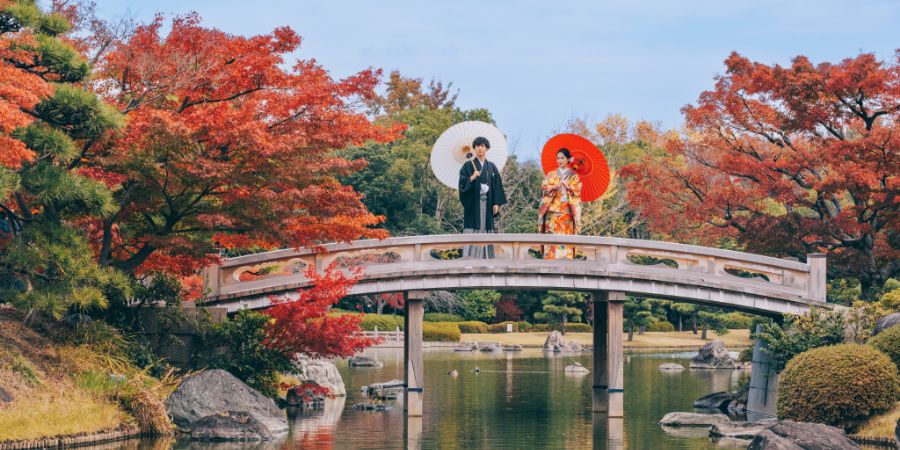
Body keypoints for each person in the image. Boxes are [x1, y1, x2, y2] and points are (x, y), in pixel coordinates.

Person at [458, 136, 506, 258]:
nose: (480, 148)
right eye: (477, 146)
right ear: (474, 149)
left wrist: (497, 203)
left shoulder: (492, 166)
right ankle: (470, 259)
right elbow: (462, 185)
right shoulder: (467, 166)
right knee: (474, 227)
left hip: (488, 203)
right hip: (474, 203)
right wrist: (472, 178)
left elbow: (497, 185)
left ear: (487, 148)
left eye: (483, 146)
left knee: (487, 228)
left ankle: (487, 259)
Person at [537, 148, 582, 259]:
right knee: (551, 238)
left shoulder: (574, 176)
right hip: (552, 211)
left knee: (565, 239)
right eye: (558, 158)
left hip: (567, 212)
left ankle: (565, 263)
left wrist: (569, 186)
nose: (560, 160)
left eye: (562, 158)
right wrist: (554, 186)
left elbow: (577, 191)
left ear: (568, 159)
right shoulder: (551, 174)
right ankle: (549, 261)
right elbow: (544, 187)